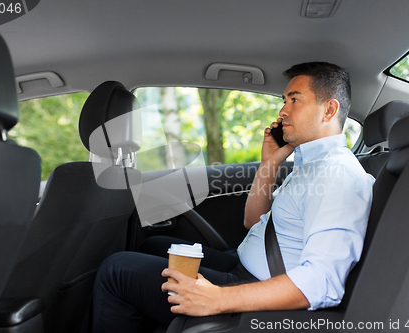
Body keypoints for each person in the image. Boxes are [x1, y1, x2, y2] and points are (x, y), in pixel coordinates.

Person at [89, 62, 375, 332]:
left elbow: (322, 281)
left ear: (328, 110)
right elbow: (253, 222)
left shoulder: (336, 174)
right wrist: (269, 164)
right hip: (240, 265)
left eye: (294, 100)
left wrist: (215, 298)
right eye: (284, 101)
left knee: (116, 272)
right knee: (153, 245)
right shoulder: (309, 166)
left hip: (257, 295)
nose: (282, 111)